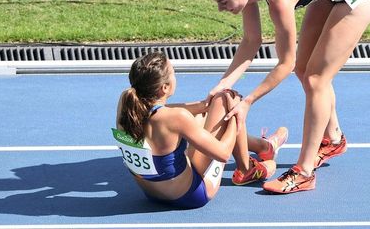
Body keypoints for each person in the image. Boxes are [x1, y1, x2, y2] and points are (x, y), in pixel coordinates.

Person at [205, 0, 370, 194]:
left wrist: (248, 101)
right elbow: (251, 41)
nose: (221, 9)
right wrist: (224, 83)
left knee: (315, 79)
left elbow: (285, 63)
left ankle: (304, 172)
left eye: (223, 2)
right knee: (305, 69)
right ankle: (333, 139)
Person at [113, 51, 288, 208]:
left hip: (152, 194)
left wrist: (201, 106)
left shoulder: (127, 102)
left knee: (201, 116)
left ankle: (263, 147)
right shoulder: (177, 118)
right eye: (173, 73)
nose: (175, 76)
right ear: (164, 87)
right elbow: (223, 154)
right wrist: (235, 115)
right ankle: (247, 169)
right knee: (225, 98)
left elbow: (161, 112)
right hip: (192, 195)